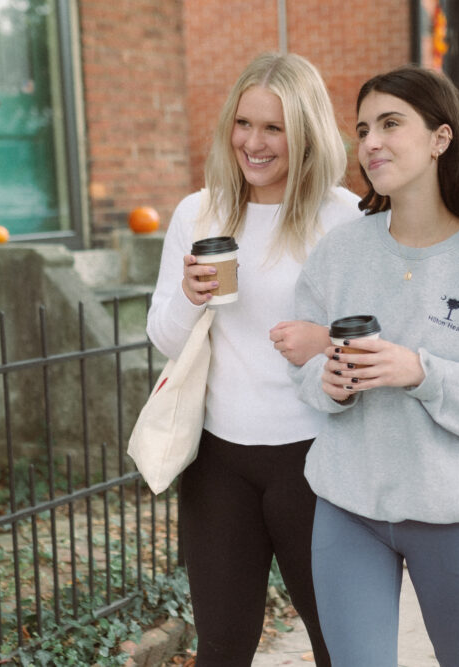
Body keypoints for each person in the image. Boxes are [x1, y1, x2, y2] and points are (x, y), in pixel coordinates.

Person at [290, 65, 459, 665]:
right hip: (348, 509)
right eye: (363, 129)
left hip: (456, 515)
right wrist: (327, 382)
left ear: (440, 138)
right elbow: (305, 368)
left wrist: (421, 372)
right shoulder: (341, 251)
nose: (372, 142)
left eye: (390, 123)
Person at [146, 52, 360, 666]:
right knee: (222, 649)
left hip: (317, 459)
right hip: (219, 461)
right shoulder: (200, 212)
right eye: (244, 124)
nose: (254, 143)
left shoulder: (344, 218)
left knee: (339, 645)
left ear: (307, 132)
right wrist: (190, 298)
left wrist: (325, 341)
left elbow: (378, 337)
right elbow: (164, 335)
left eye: (274, 128)